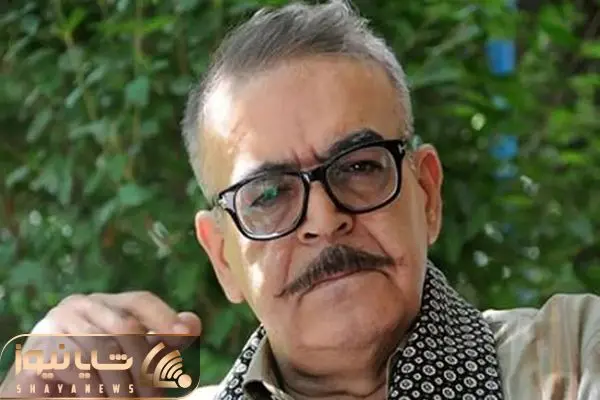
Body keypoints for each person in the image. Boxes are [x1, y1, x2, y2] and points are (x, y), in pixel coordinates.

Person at [1, 1, 598, 400]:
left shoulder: (572, 360)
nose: (324, 219)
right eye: (268, 194)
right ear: (222, 256)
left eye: (359, 167)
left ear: (427, 195)